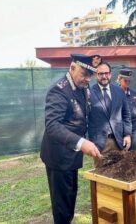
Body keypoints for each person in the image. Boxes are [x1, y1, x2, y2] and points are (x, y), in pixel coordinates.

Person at [40, 54, 103, 224]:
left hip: (72, 155)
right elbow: (52, 125)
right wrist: (82, 143)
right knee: (62, 206)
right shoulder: (59, 90)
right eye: (84, 74)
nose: (87, 79)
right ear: (72, 67)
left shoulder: (83, 88)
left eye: (90, 75)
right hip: (58, 157)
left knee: (70, 197)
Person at [88, 62, 132, 166]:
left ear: (111, 74)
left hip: (119, 141)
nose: (104, 76)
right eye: (100, 73)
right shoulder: (88, 92)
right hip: (100, 143)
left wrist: (127, 134)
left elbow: (126, 114)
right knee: (101, 175)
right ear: (95, 75)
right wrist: (89, 141)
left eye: (106, 73)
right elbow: (85, 117)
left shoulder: (119, 91)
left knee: (120, 172)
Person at [117, 68, 136, 150]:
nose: (127, 82)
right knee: (122, 152)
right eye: (125, 80)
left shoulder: (134, 93)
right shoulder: (115, 93)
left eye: (129, 80)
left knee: (132, 152)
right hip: (121, 126)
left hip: (134, 126)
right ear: (119, 79)